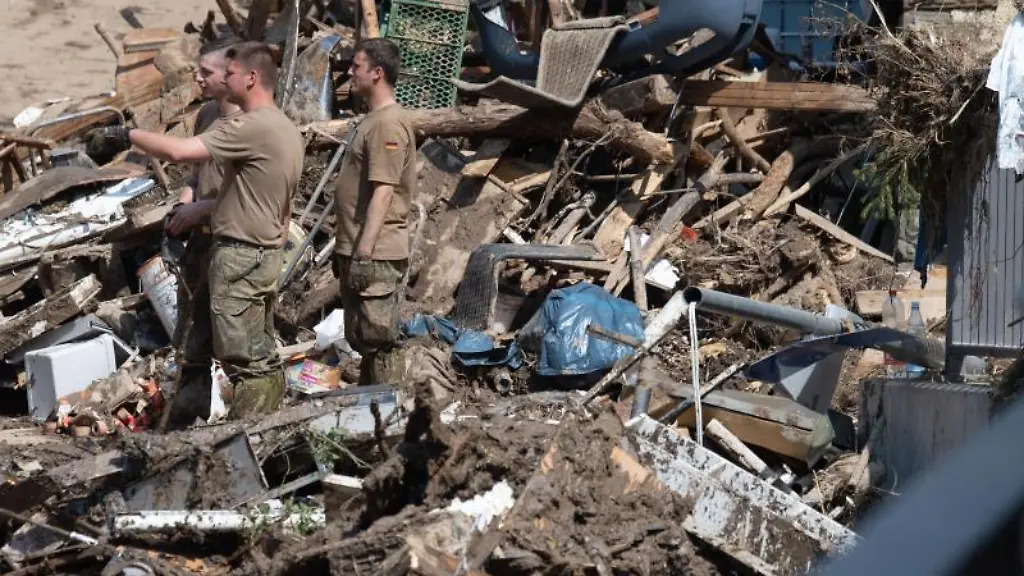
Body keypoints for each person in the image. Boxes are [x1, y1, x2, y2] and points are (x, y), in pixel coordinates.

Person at [89, 41, 304, 419]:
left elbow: (179, 152)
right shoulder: (277, 127)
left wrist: (127, 136)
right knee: (207, 346)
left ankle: (249, 431)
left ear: (250, 78)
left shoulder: (252, 126)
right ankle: (197, 421)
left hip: (243, 252)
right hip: (246, 249)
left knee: (246, 357)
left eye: (227, 73)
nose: (209, 79)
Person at [164, 41, 243, 427]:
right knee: (190, 338)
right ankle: (187, 419)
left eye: (206, 72)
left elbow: (250, 194)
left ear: (231, 75)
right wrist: (183, 205)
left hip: (235, 242)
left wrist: (201, 209)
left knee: (234, 339)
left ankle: (244, 420)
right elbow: (196, 175)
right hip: (200, 242)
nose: (197, 78)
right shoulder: (207, 115)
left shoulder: (251, 126)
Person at [333, 38, 416, 386]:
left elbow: (384, 191)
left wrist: (364, 254)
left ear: (377, 73)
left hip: (377, 252)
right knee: (365, 340)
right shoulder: (373, 120)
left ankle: (390, 410)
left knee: (380, 342)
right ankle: (371, 412)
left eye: (357, 66)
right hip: (360, 248)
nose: (350, 72)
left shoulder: (387, 124)